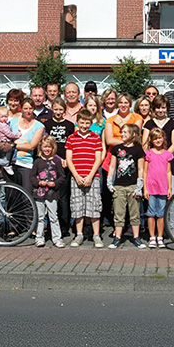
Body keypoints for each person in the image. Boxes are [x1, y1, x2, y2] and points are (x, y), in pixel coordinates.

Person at [142, 94, 174, 241]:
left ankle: (172, 229)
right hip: (152, 165)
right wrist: (153, 155)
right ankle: (153, 233)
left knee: (170, 197)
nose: (160, 110)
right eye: (158, 107)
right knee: (152, 201)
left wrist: (163, 156)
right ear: (154, 109)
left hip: (167, 164)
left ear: (167, 108)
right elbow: (145, 144)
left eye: (163, 107)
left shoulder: (173, 123)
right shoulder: (149, 124)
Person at [103, 93, 143, 227]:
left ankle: (132, 224)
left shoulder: (137, 118)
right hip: (115, 159)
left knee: (132, 193)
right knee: (115, 193)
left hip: (132, 160)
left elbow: (136, 137)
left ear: (130, 104)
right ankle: (117, 224)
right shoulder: (110, 120)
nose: (123, 105)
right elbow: (109, 140)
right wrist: (128, 141)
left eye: (126, 102)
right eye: (120, 102)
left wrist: (121, 125)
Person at [65, 109, 104, 248]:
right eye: (82, 123)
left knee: (94, 206)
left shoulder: (95, 138)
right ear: (77, 122)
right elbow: (69, 159)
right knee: (77, 206)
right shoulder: (71, 138)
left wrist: (90, 176)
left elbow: (98, 159)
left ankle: (96, 235)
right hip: (76, 177)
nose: (84, 126)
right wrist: (76, 175)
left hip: (92, 177)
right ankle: (79, 234)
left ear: (91, 123)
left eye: (87, 123)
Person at [107, 124, 146, 249]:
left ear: (133, 134)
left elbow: (141, 168)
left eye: (125, 132)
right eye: (122, 132)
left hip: (133, 185)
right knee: (119, 213)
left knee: (134, 213)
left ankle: (136, 237)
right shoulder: (116, 149)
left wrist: (139, 186)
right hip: (119, 185)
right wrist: (109, 182)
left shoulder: (138, 150)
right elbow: (112, 166)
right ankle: (117, 237)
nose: (122, 134)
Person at [44, 98, 75, 237]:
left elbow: (71, 145)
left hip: (65, 164)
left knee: (63, 196)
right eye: (55, 109)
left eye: (60, 109)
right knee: (51, 195)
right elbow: (46, 144)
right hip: (51, 162)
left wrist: (67, 159)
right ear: (52, 109)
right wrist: (56, 158)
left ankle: (64, 226)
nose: (58, 112)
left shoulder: (69, 125)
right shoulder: (47, 124)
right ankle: (52, 226)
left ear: (64, 110)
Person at [30, 135, 66, 248]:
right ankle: (39, 238)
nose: (47, 149)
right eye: (45, 147)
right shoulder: (37, 161)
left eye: (49, 147)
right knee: (40, 217)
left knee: (53, 216)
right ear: (41, 147)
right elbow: (32, 176)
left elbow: (62, 176)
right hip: (39, 194)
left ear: (53, 148)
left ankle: (57, 238)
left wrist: (55, 183)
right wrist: (38, 182)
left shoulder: (56, 161)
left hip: (52, 194)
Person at [143, 128, 173, 249]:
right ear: (151, 140)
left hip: (163, 188)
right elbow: (145, 172)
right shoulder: (148, 154)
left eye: (160, 138)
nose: (158, 140)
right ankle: (152, 237)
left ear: (163, 138)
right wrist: (145, 188)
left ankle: (160, 237)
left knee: (161, 213)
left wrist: (169, 188)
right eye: (155, 138)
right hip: (151, 187)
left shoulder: (167, 154)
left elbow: (169, 172)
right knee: (151, 213)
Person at [10, 98, 45, 193]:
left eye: (30, 108)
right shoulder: (13, 122)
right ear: (21, 109)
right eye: (25, 108)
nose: (28, 111)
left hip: (26, 163)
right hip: (11, 162)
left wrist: (13, 145)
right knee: (11, 194)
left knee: (26, 194)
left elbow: (31, 146)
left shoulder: (39, 126)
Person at [0, 106, 21, 175]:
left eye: (6, 116)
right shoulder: (3, 125)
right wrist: (18, 134)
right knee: (10, 152)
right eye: (2, 117)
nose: (4, 118)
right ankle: (7, 165)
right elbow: (9, 134)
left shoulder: (1, 124)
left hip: (2, 141)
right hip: (4, 142)